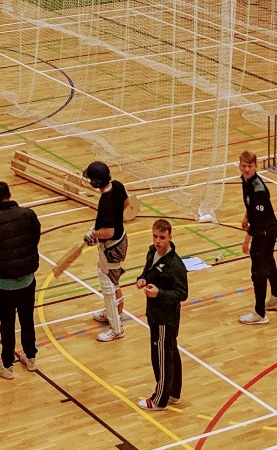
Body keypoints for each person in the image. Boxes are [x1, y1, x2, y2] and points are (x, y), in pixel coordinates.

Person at [0, 180, 42, 379]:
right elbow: (36, 237)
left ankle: (7, 365)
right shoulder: (29, 215)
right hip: (27, 279)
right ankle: (30, 357)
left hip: (3, 283)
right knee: (27, 319)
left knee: (7, 323)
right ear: (9, 194)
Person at [136, 218, 189, 411]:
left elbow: (182, 293)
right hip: (154, 313)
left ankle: (159, 400)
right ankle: (173, 393)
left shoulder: (175, 265)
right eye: (155, 236)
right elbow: (147, 271)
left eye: (162, 237)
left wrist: (160, 293)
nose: (158, 241)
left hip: (166, 318)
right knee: (170, 353)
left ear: (170, 237)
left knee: (163, 358)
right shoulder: (152, 252)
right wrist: (142, 279)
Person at [82, 160, 130, 342]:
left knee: (109, 283)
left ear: (96, 182)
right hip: (120, 238)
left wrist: (93, 235)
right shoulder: (117, 186)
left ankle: (116, 328)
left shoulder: (105, 201)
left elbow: (107, 232)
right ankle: (111, 313)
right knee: (111, 279)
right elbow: (126, 203)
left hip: (112, 246)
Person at [238, 150, 277, 326]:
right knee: (268, 261)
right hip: (263, 228)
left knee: (259, 272)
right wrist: (246, 216)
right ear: (239, 165)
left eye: (250, 166)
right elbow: (250, 207)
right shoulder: (246, 180)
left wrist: (246, 242)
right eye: (244, 165)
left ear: (256, 167)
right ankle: (276, 297)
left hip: (265, 231)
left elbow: (258, 223)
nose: (247, 169)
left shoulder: (259, 190)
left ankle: (259, 313)